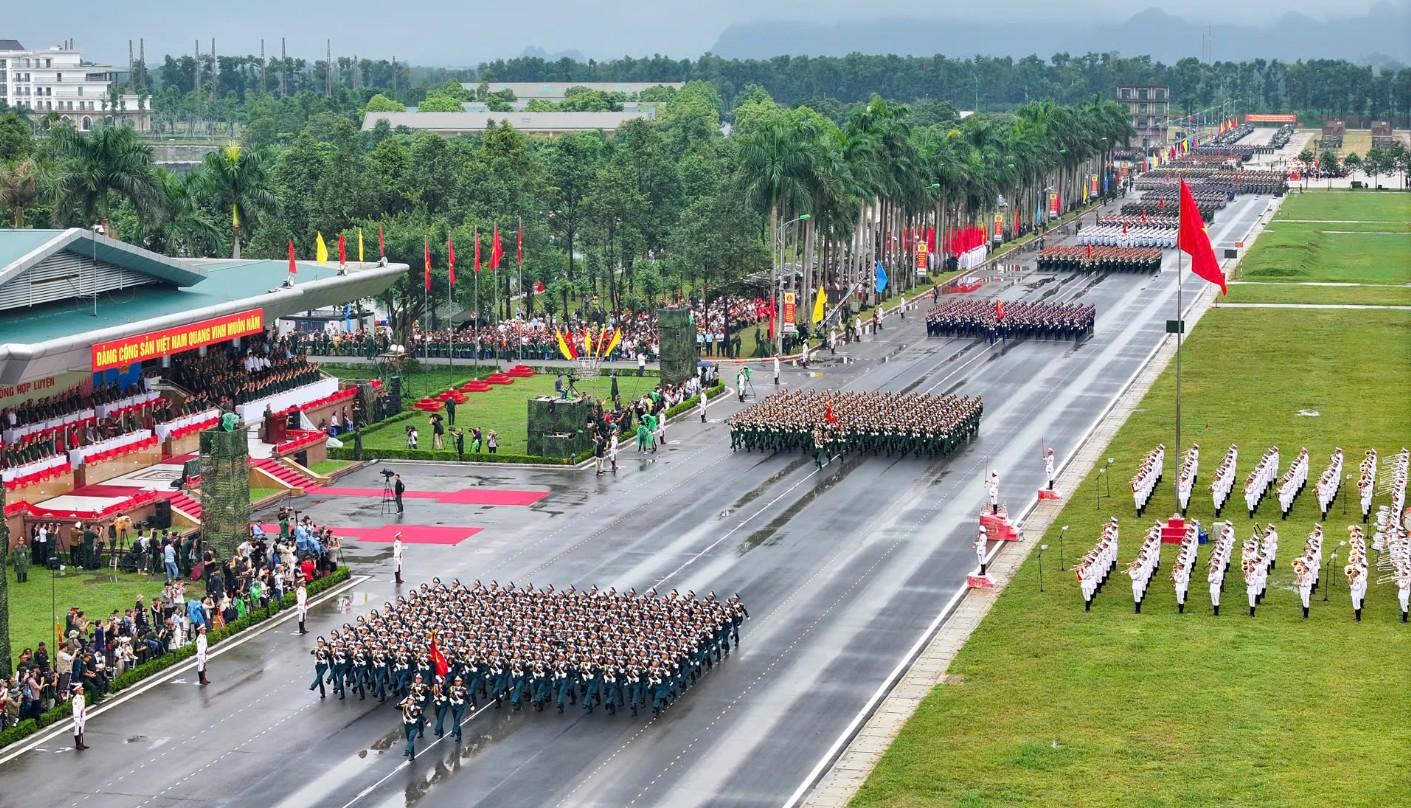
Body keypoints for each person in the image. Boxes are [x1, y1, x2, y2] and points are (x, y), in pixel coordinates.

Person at [401, 695, 422, 761]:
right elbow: (397, 706)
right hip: (407, 725)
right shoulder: (405, 707)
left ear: (413, 701)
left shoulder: (417, 708)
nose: (409, 701)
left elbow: (421, 716)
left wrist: (426, 721)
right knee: (409, 740)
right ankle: (412, 755)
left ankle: (407, 751)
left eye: (410, 700)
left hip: (414, 726)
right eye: (408, 700)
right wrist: (404, 700)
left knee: (411, 738)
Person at [71, 683, 87, 750]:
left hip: (82, 714)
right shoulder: (76, 699)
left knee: (82, 729)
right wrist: (77, 718)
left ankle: (81, 743)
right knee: (77, 730)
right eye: (80, 690)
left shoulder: (82, 697)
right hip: (78, 716)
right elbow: (75, 709)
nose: (82, 691)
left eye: (82, 690)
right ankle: (78, 745)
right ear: (77, 691)